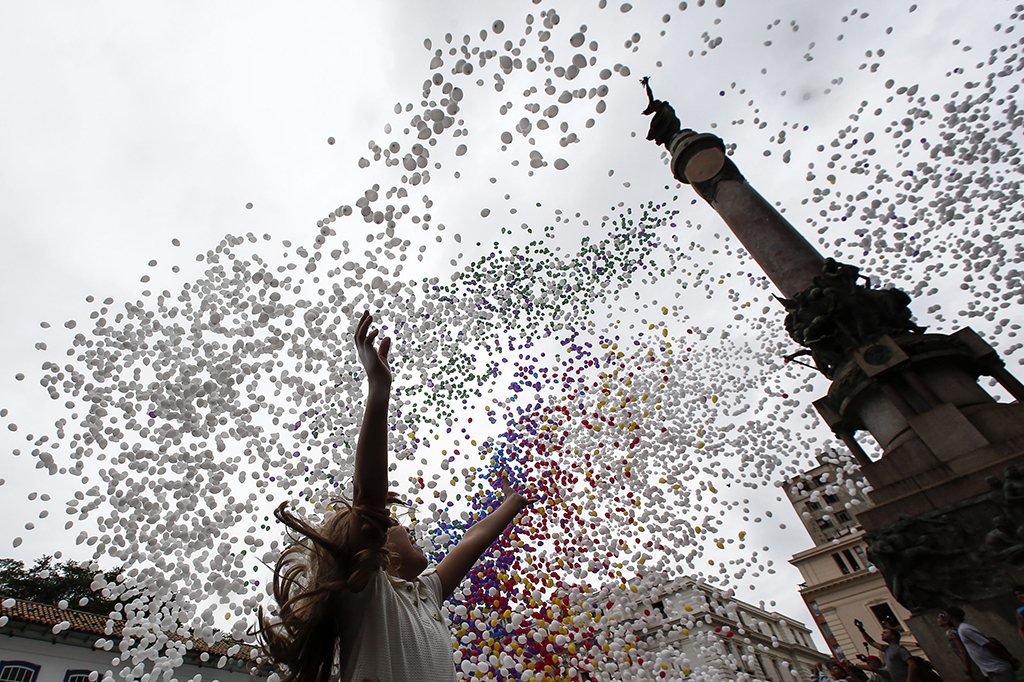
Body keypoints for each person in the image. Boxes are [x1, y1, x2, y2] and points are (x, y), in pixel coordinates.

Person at [257, 311, 537, 682]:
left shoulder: (425, 593)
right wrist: (378, 387)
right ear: (377, 550)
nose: (410, 530)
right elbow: (368, 500)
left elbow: (472, 541)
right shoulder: (368, 588)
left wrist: (513, 503)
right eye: (399, 527)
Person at [944, 606, 1019, 682]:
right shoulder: (962, 629)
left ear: (950, 616)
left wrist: (1008, 658)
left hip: (998, 669)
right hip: (992, 670)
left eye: (945, 615)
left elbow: (988, 644)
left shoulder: (964, 629)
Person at [855, 619, 920, 682]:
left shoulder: (900, 649)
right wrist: (862, 630)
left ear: (893, 636)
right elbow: (871, 642)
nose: (882, 634)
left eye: (885, 633)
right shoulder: (886, 649)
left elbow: (913, 665)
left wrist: (909, 680)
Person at [939, 611, 983, 682]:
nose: (938, 620)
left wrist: (967, 671)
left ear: (945, 621)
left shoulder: (951, 633)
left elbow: (962, 651)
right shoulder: (956, 630)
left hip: (971, 663)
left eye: (939, 618)